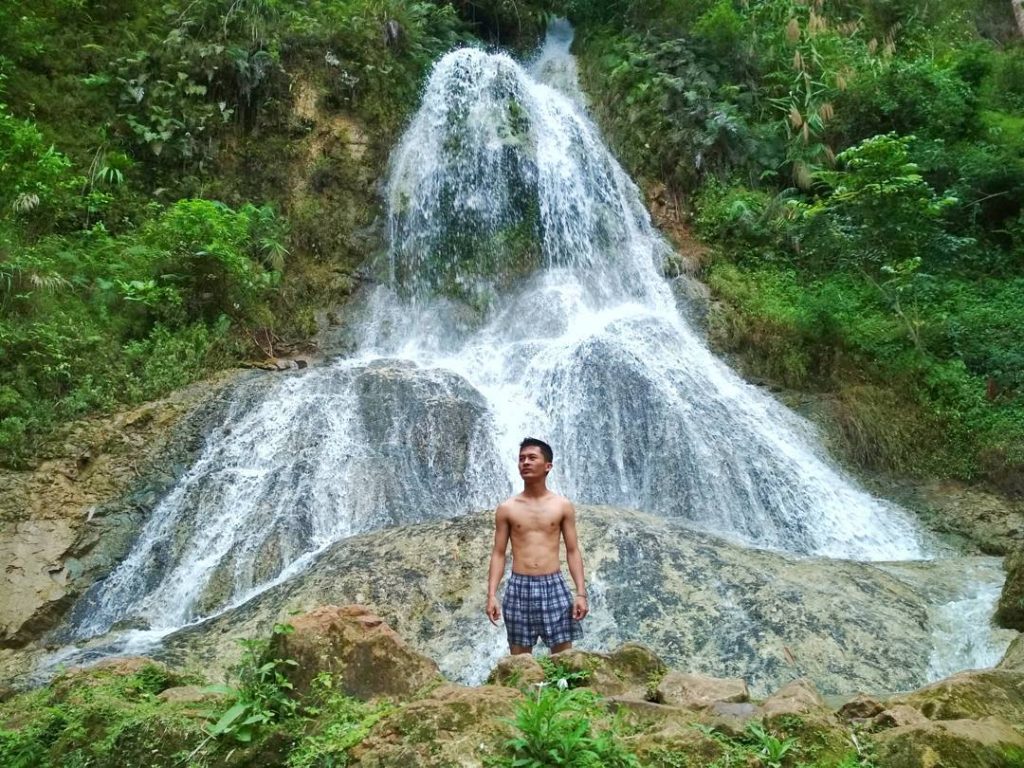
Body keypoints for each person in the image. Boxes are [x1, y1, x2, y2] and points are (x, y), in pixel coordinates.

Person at [486, 437, 588, 654]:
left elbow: (572, 550)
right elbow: (498, 553)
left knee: (563, 658)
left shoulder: (562, 506)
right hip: (518, 587)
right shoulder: (507, 508)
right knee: (520, 662)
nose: (525, 462)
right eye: (521, 458)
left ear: (548, 466)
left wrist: (581, 593)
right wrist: (492, 594)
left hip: (554, 584)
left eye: (532, 458)